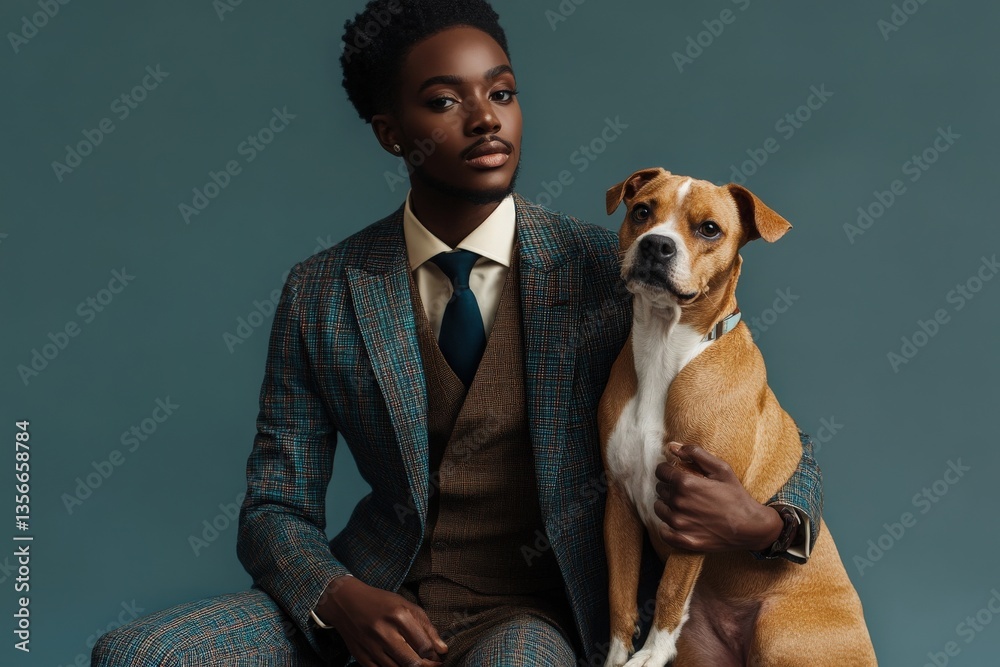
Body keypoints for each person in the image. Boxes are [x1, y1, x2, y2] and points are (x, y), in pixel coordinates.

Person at [92, 1, 823, 665]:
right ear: (390, 134)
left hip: (529, 608)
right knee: (136, 655)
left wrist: (764, 523)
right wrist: (340, 598)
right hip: (367, 587)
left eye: (501, 93)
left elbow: (762, 430)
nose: (486, 119)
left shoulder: (611, 272)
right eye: (446, 101)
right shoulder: (321, 289)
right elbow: (273, 507)